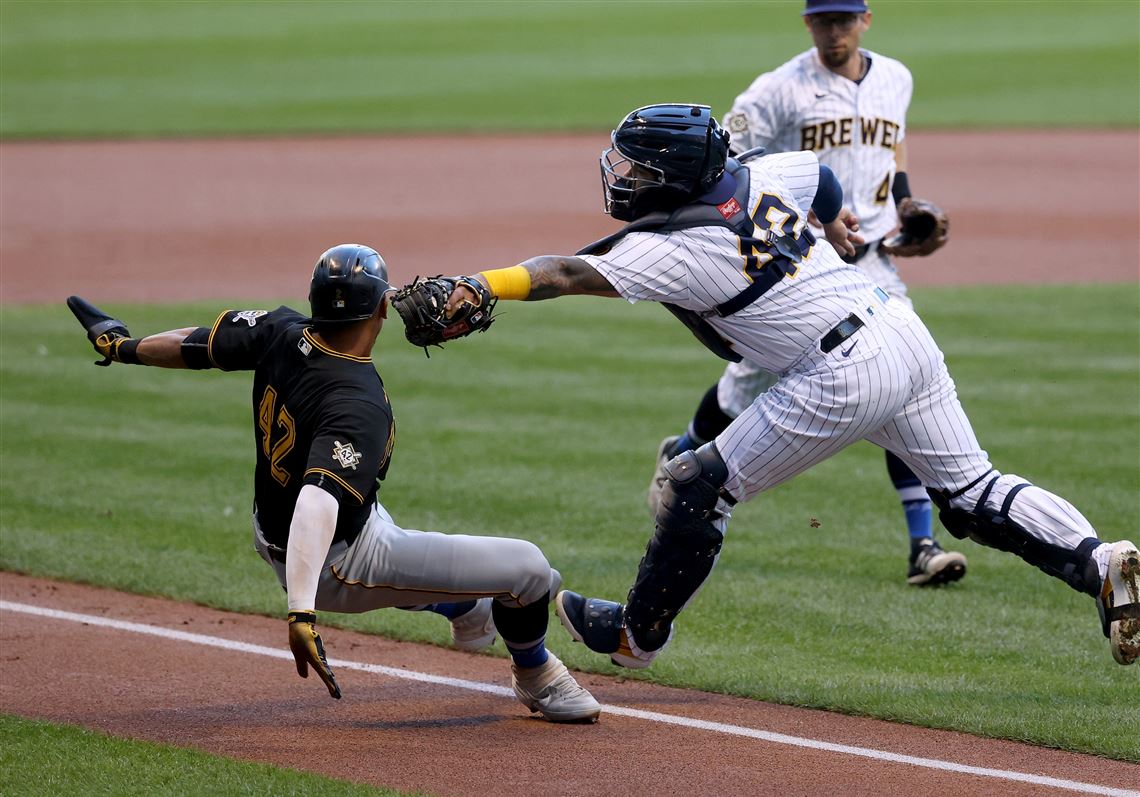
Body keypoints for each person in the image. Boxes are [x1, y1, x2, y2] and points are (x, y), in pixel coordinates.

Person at [441, 104, 1139, 669]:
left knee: (695, 483)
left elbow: (563, 272)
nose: (623, 176)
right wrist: (834, 223)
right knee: (974, 495)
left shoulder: (677, 248)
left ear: (673, 176)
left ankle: (635, 635)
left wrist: (480, 283)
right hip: (901, 328)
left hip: (840, 371)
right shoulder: (761, 173)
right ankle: (1098, 561)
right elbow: (823, 178)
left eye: (636, 167)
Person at [66, 244, 601, 722]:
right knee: (532, 572)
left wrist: (124, 347)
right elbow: (316, 503)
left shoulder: (280, 330)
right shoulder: (357, 405)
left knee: (408, 546)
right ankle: (537, 676)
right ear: (382, 309)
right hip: (332, 561)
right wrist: (302, 611)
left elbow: (196, 344)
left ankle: (464, 609)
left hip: (287, 524)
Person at [646, 0, 965, 587]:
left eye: (845, 19)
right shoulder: (778, 90)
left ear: (866, 20)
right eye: (823, 20)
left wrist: (905, 204)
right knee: (741, 394)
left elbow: (891, 155)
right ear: (807, 24)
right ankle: (683, 456)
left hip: (874, 267)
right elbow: (728, 159)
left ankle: (924, 542)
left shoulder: (896, 77)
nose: (835, 30)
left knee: (905, 387)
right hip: (799, 272)